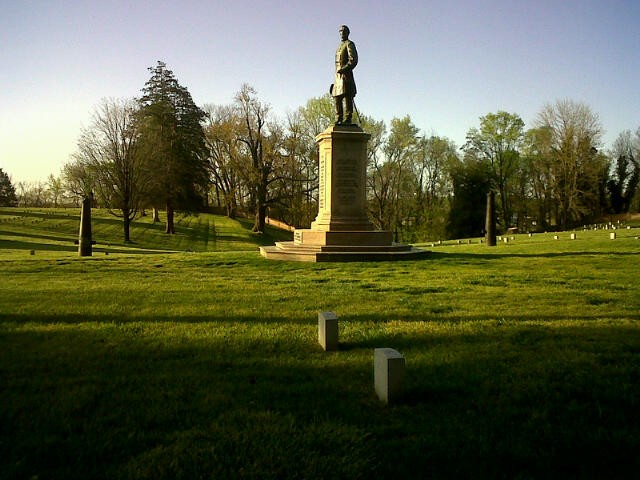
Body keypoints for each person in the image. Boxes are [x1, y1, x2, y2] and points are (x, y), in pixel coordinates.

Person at [331, 25, 358, 125]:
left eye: (344, 31)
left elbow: (353, 60)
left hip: (346, 75)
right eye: (340, 32)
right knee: (336, 97)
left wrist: (344, 69)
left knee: (347, 96)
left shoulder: (349, 44)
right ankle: (338, 118)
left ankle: (347, 118)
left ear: (347, 33)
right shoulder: (339, 46)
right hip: (337, 77)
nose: (342, 33)